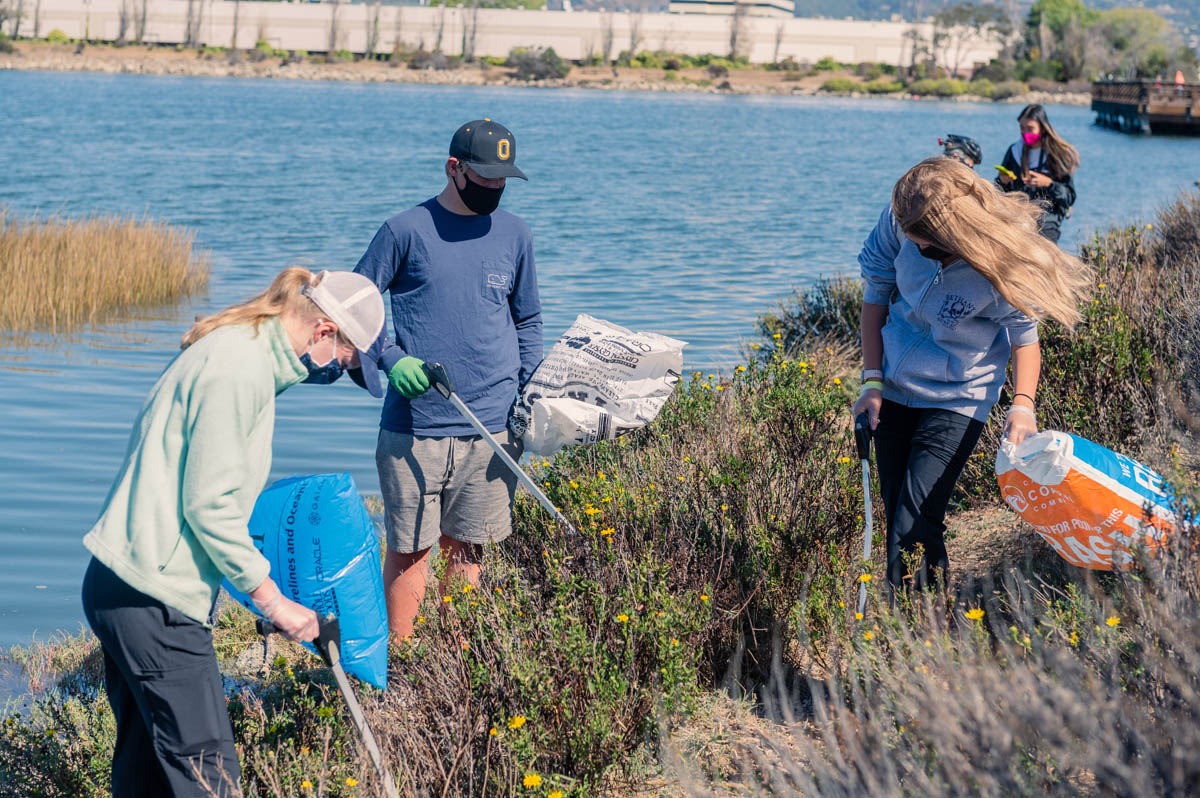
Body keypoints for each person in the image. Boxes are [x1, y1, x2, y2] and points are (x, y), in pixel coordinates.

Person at [81, 268, 386, 797]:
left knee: (146, 767)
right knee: (210, 776)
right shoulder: (240, 371)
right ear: (324, 332)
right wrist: (274, 602)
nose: (339, 373)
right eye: (345, 362)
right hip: (157, 598)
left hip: (120, 582)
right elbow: (211, 506)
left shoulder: (237, 346)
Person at [853, 157, 1091, 597]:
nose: (910, 245)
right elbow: (876, 295)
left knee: (914, 517)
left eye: (921, 245)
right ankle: (914, 625)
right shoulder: (900, 219)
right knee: (898, 515)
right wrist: (871, 381)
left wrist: (1023, 406)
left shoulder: (997, 261)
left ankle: (915, 634)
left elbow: (1025, 340)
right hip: (895, 384)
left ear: (952, 238)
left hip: (959, 396)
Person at [353, 119, 543, 643]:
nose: (494, 190)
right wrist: (390, 357)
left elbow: (527, 321)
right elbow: (351, 310)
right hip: (416, 429)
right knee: (411, 549)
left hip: (495, 428)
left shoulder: (516, 234)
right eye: (484, 179)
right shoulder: (403, 231)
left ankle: (455, 665)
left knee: (470, 548)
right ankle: (405, 665)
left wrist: (530, 394)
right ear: (453, 169)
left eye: (503, 181)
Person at [995, 104, 1079, 243]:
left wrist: (1048, 184)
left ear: (1042, 128)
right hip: (1019, 217)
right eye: (1022, 128)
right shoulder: (1014, 151)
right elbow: (1000, 192)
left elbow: (1069, 196)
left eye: (1030, 129)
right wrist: (1002, 181)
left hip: (1048, 221)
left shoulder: (1057, 155)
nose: (1025, 133)